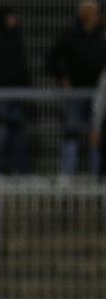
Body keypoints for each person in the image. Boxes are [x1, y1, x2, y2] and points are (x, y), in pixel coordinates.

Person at [47, 0, 106, 176]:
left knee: (97, 135)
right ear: (81, 14)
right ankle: (67, 179)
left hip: (99, 94)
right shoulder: (69, 36)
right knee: (71, 134)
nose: (93, 16)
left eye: (95, 12)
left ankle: (97, 179)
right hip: (74, 94)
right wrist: (63, 77)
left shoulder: (102, 37)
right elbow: (53, 60)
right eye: (89, 12)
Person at [0, 5, 32, 174]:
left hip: (16, 95)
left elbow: (23, 68)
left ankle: (20, 173)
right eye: (10, 17)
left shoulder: (16, 40)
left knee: (18, 136)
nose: (13, 21)